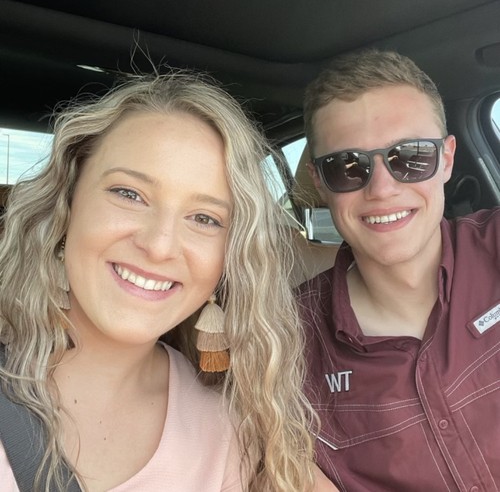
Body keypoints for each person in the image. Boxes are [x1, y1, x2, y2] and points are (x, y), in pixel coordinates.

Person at [0, 71, 323, 492]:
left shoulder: (227, 432)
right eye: (129, 194)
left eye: (205, 218)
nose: (159, 246)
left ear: (231, 257)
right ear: (66, 204)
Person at [297, 49, 500, 491]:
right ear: (319, 182)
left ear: (447, 159)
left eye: (410, 157)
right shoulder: (285, 343)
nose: (382, 188)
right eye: (347, 166)